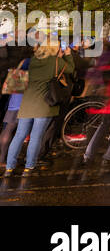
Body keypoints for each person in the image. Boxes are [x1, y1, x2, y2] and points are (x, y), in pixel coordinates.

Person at [4, 42, 73, 176]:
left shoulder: (33, 60)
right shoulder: (56, 61)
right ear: (55, 48)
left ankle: (9, 168)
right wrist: (68, 56)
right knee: (36, 136)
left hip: (27, 103)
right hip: (44, 105)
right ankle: (28, 168)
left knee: (19, 135)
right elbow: (70, 68)